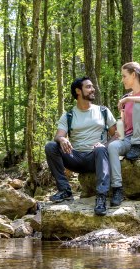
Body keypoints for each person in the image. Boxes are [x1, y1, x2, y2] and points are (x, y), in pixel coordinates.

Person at [45, 76, 117, 216]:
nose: (93, 89)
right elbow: (59, 135)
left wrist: (105, 145)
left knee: (101, 149)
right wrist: (62, 140)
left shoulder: (103, 111)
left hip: (96, 157)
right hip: (75, 157)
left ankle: (101, 197)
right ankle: (65, 191)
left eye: (92, 86)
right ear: (78, 91)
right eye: (88, 87)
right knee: (50, 146)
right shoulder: (69, 115)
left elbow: (116, 135)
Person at [108, 62, 140, 207]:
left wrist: (129, 99)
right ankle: (118, 189)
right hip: (130, 138)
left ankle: (136, 145)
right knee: (112, 147)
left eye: (124, 76)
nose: (122, 79)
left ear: (133, 75)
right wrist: (119, 132)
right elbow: (125, 124)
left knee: (139, 104)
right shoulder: (125, 98)